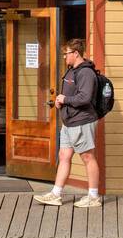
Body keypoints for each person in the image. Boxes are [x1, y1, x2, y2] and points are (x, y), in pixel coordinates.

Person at [33, 39, 102, 208]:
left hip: (82, 121)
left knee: (87, 157)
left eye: (66, 54)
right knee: (64, 157)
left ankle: (93, 197)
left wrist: (65, 99)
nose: (64, 57)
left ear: (76, 53)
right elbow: (71, 95)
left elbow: (85, 97)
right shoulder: (71, 71)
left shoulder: (86, 73)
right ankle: (56, 194)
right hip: (69, 122)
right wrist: (60, 100)